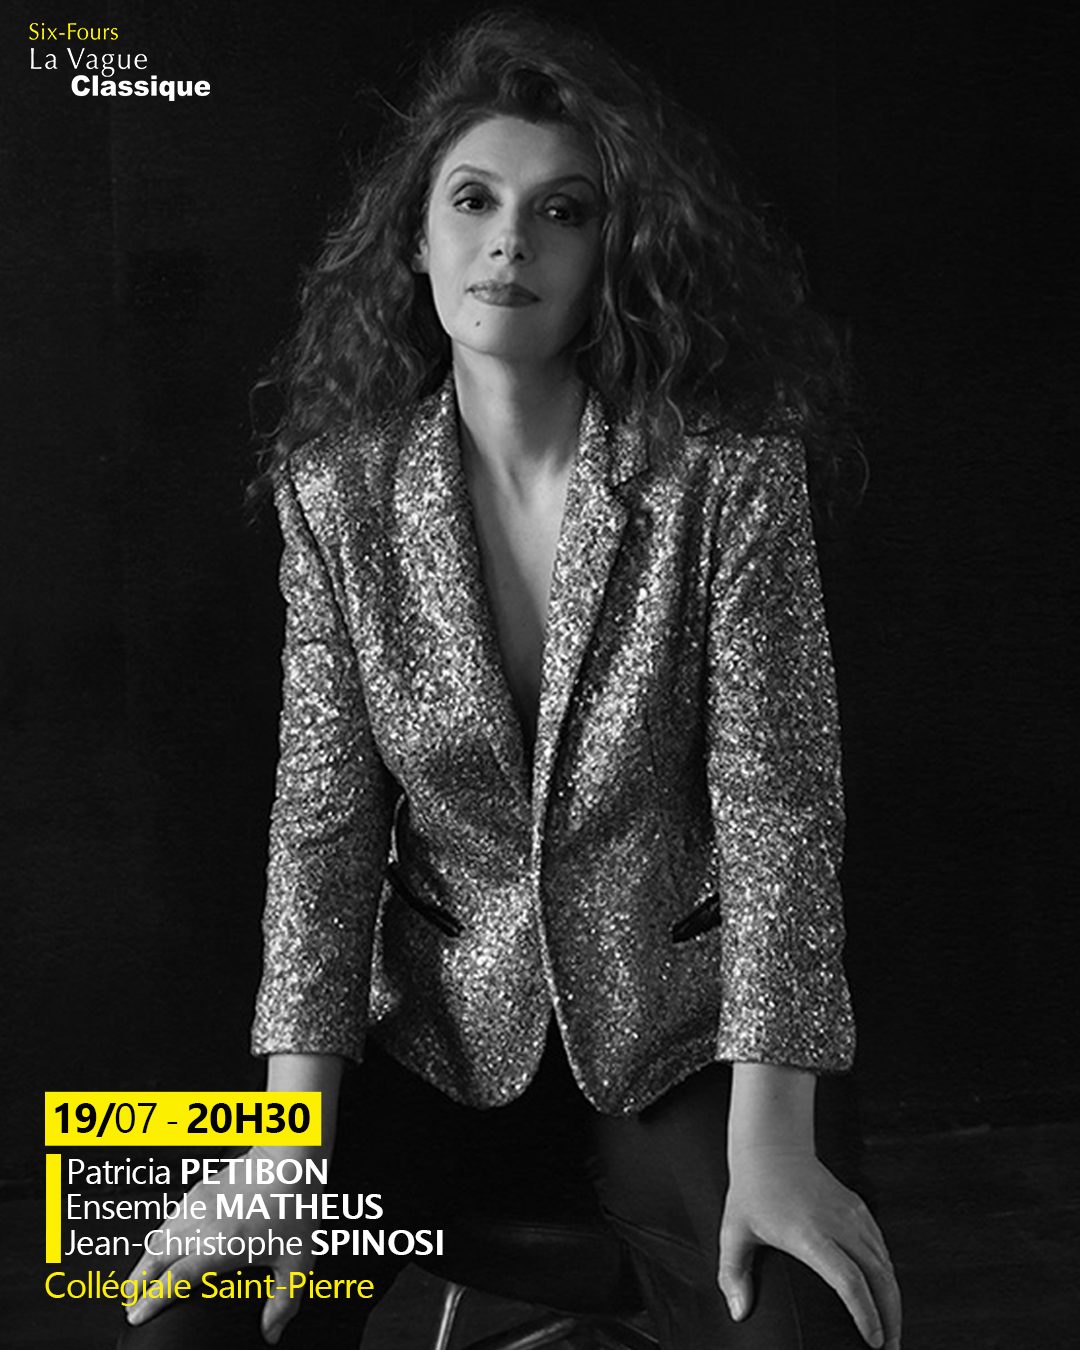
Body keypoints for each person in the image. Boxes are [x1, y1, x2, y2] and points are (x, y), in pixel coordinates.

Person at [121, 9, 900, 1349]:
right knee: (190, 1319)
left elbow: (779, 816)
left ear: (614, 254)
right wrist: (283, 1145)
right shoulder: (339, 498)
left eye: (563, 211)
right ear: (416, 239)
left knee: (805, 1325)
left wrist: (777, 1143)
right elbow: (323, 831)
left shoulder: (729, 479)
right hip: (429, 1043)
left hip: (679, 1043)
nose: (510, 242)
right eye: (474, 200)